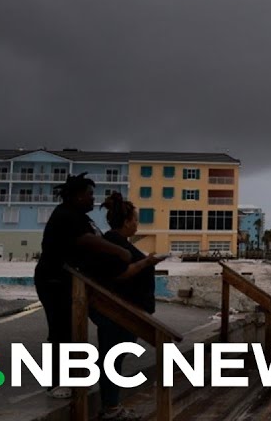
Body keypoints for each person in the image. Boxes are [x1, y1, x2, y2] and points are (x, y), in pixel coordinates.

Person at [34, 173, 132, 399]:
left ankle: (77, 374)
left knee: (76, 330)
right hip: (54, 281)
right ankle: (56, 382)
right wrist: (118, 251)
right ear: (77, 196)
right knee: (61, 331)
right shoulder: (65, 215)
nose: (92, 199)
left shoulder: (80, 216)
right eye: (89, 194)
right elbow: (86, 240)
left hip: (74, 282)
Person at [90, 192, 163, 421]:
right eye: (135, 220)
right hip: (117, 313)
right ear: (126, 221)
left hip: (127, 312)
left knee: (114, 359)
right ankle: (111, 409)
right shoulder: (113, 243)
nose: (137, 223)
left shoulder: (119, 242)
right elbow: (118, 276)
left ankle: (112, 406)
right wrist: (146, 263)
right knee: (111, 359)